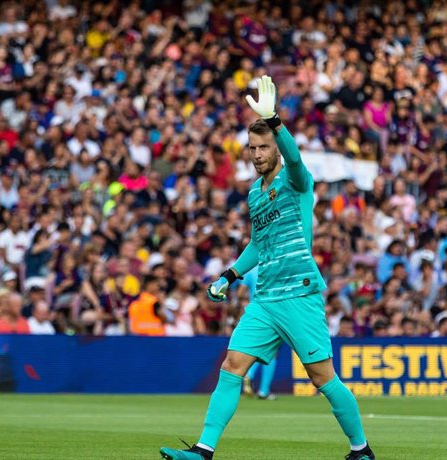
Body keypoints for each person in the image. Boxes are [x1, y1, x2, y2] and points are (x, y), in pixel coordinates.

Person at [159, 76, 374, 460]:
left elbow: (294, 158)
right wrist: (229, 275)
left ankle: (361, 449)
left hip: (299, 292)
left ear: (275, 147)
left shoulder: (297, 181)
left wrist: (275, 120)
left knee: (323, 378)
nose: (257, 153)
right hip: (266, 298)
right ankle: (204, 450)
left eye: (263, 147)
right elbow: (259, 243)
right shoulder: (255, 192)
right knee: (232, 364)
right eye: (252, 148)